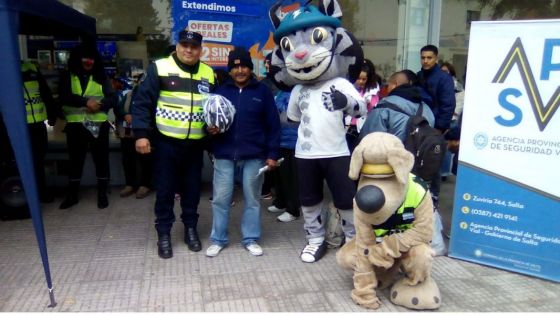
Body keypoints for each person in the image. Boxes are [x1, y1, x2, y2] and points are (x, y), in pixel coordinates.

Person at [132, 30, 215, 259]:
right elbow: (141, 103)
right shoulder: (159, 68)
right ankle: (164, 234)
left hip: (195, 146)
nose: (189, 50)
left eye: (194, 46)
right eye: (184, 44)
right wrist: (141, 134)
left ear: (200, 50)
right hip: (166, 143)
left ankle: (190, 229)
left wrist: (215, 127)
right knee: (166, 191)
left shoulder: (209, 73)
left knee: (192, 191)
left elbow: (214, 107)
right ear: (177, 46)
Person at [205, 46, 280, 258]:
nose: (240, 71)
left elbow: (273, 126)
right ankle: (218, 239)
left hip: (254, 156)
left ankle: (250, 238)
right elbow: (208, 121)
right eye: (236, 67)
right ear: (229, 70)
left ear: (250, 68)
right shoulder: (220, 92)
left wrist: (272, 154)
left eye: (244, 66)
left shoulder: (262, 92)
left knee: (253, 199)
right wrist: (210, 131)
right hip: (224, 155)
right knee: (220, 198)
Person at [58, 42, 117, 210]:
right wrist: (85, 102)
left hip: (98, 124)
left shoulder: (101, 76)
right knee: (75, 161)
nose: (88, 61)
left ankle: (102, 194)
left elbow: (113, 98)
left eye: (91, 58)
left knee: (101, 160)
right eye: (85, 58)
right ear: (77, 59)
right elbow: (64, 96)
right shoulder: (67, 76)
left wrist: (102, 104)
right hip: (76, 126)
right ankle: (72, 195)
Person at [416, 45, 455, 209]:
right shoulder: (418, 76)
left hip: (435, 129)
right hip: (419, 126)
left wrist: (440, 128)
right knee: (418, 162)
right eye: (423, 57)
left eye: (429, 57)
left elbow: (448, 105)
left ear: (436, 58)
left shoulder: (444, 78)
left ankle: (433, 197)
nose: (426, 61)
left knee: (434, 163)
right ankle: (418, 197)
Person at [20, 61, 58, 202]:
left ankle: (41, 192)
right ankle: (25, 193)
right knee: (20, 161)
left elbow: (45, 92)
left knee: (39, 159)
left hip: (37, 124)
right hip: (19, 126)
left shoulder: (31, 68)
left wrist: (52, 113)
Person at [359, 71, 434, 141]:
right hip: (421, 153)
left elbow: (369, 139)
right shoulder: (426, 108)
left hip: (392, 154)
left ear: (395, 84)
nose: (387, 89)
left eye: (388, 85)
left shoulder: (384, 106)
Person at [114, 71, 153, 199]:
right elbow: (117, 108)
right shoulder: (129, 94)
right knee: (127, 160)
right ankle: (130, 184)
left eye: (141, 80)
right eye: (137, 80)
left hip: (145, 132)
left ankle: (145, 185)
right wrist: (125, 115)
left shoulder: (151, 94)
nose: (139, 82)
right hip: (128, 133)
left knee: (146, 160)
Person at [266, 90, 301, 222]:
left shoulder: (297, 92)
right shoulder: (280, 92)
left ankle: (293, 209)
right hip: (280, 139)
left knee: (291, 177)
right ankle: (281, 201)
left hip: (293, 141)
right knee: (279, 175)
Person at [346, 59, 381, 151]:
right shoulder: (348, 88)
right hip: (348, 126)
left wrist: (368, 103)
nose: (361, 81)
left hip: (362, 127)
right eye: (358, 78)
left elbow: (373, 109)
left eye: (364, 79)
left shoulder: (372, 91)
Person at [440, 62, 464, 180]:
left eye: (446, 71)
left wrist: (454, 113)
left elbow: (460, 101)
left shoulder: (455, 85)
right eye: (442, 71)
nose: (443, 73)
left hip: (451, 118)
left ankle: (444, 172)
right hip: (442, 117)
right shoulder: (441, 83)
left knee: (447, 145)